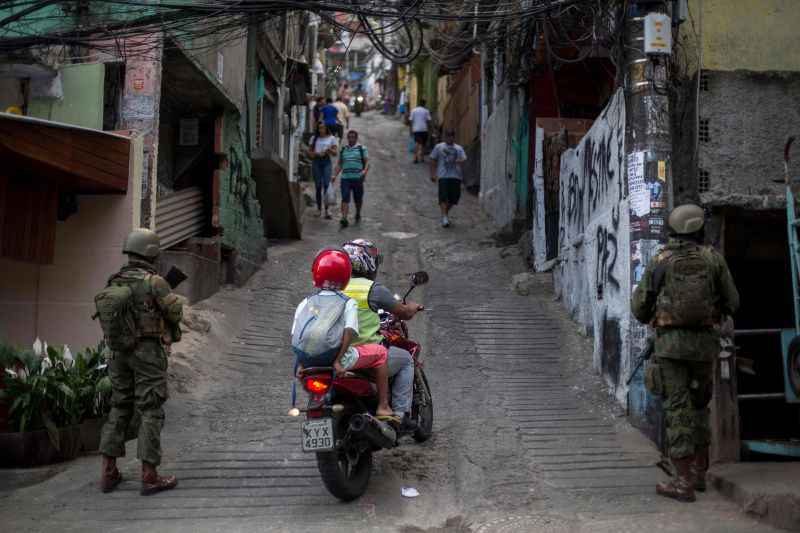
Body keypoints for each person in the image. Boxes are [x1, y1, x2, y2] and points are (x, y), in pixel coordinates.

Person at [632, 204, 739, 503]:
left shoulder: (661, 261)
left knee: (677, 409)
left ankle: (682, 482)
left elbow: (639, 307)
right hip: (705, 346)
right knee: (699, 407)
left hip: (671, 348)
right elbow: (733, 301)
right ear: (699, 229)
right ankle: (699, 474)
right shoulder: (713, 260)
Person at [98, 229, 183, 496]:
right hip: (146, 352)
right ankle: (149, 475)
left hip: (118, 352)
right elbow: (175, 311)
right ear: (151, 252)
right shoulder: (154, 282)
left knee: (119, 405)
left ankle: (108, 471)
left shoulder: (115, 280)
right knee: (150, 408)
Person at [292, 249, 395, 419]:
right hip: (340, 360)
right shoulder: (348, 303)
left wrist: (302, 364)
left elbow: (296, 335)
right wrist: (338, 362)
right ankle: (383, 406)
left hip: (309, 364)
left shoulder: (306, 302)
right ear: (346, 277)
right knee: (382, 353)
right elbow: (349, 333)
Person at [342, 239, 422, 432]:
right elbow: (404, 313)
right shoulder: (373, 289)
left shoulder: (334, 286)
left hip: (335, 354)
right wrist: (412, 307)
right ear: (368, 262)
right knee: (405, 360)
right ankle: (401, 415)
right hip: (364, 354)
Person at [429, 130, 467, 228]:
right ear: (445, 137)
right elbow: (433, 159)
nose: (450, 138)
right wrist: (432, 174)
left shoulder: (458, 148)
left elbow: (464, 158)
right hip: (443, 176)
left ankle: (444, 214)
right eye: (448, 136)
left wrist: (459, 160)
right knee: (443, 197)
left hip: (456, 176)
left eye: (451, 136)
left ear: (454, 137)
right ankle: (445, 218)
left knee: (454, 198)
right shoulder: (439, 147)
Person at [333, 130, 369, 228]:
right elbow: (340, 163)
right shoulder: (343, 149)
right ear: (347, 138)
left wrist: (364, 171)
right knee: (345, 198)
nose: (351, 139)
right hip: (345, 178)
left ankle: (357, 212)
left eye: (353, 137)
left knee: (358, 199)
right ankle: (344, 218)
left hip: (358, 178)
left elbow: (366, 162)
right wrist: (334, 175)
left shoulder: (362, 148)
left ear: (356, 138)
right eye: (349, 137)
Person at [308, 122, 338, 219]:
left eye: (323, 128)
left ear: (326, 129)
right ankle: (318, 209)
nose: (321, 130)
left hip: (326, 162)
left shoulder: (332, 138)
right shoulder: (314, 138)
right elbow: (310, 153)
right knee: (317, 186)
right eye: (319, 128)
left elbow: (335, 153)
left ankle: (327, 210)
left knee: (326, 184)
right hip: (316, 162)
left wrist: (329, 150)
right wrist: (316, 154)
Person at [408, 99, 431, 163]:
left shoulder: (414, 110)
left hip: (416, 130)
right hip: (424, 129)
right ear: (424, 104)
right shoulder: (426, 111)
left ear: (418, 103)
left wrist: (410, 130)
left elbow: (411, 121)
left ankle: (415, 158)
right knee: (423, 144)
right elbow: (429, 121)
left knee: (417, 143)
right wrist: (429, 130)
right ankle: (422, 158)